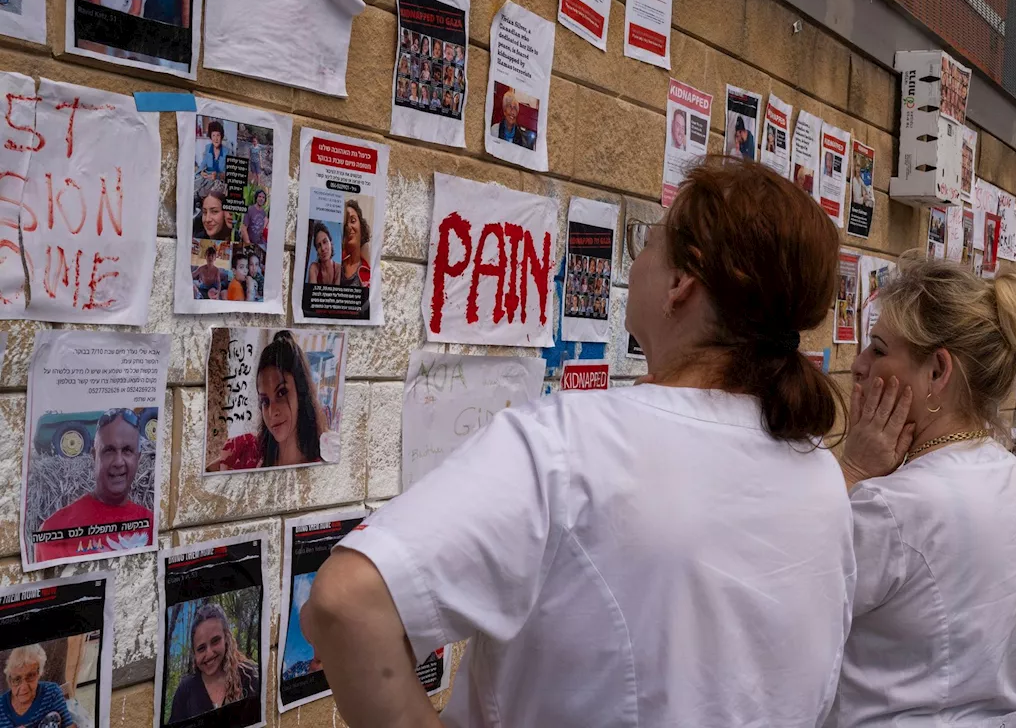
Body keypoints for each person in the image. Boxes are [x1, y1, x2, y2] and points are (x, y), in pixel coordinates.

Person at [302, 160, 858, 728]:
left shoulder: (570, 443)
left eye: (650, 239)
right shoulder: (819, 477)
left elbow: (346, 602)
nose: (638, 258)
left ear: (681, 283)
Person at [827, 256, 1016, 726]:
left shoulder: (892, 507)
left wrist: (851, 471)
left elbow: (791, 605)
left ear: (937, 371)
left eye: (877, 348)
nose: (859, 365)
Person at [34, 409, 154, 563]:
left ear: (138, 459)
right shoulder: (54, 529)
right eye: (109, 450)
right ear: (93, 457)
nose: (118, 462)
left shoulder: (150, 524)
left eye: (127, 451)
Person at [206, 330, 331, 471]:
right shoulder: (244, 453)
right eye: (265, 401)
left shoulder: (321, 467)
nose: (272, 412)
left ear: (301, 393)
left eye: (281, 393)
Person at [167, 603, 260, 723]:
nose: (209, 653)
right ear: (194, 653)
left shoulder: (251, 676)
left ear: (226, 638)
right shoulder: (185, 690)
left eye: (215, 641)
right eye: (201, 648)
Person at [0, 645, 77, 728]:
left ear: (39, 673)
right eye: (17, 679)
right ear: (9, 680)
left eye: (30, 676)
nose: (24, 687)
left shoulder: (52, 693)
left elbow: (70, 726)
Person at [340, 201, 371, 289]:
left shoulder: (369, 271)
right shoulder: (335, 265)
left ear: (361, 227)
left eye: (353, 221)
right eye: (345, 224)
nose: (349, 227)